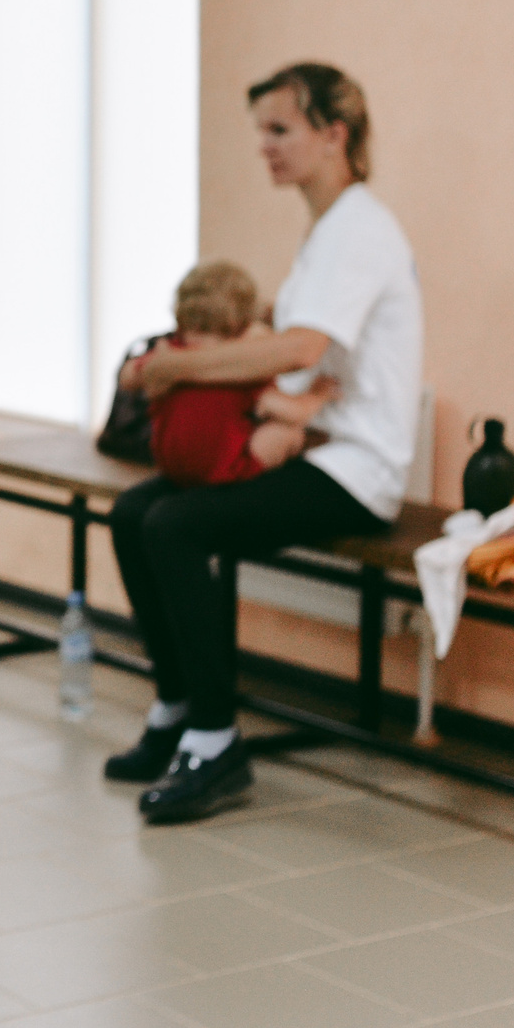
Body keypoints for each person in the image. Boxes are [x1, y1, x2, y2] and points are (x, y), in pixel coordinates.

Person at [105, 64, 422, 823]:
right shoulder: (331, 229)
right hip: (311, 444)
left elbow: (294, 349)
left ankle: (216, 742)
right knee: (132, 512)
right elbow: (287, 336)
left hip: (355, 469)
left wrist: (176, 365)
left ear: (333, 133)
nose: (265, 147)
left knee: (176, 525)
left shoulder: (359, 230)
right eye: (263, 131)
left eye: (279, 129)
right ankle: (178, 704)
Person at [123, 261, 338, 487]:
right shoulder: (239, 367)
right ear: (245, 323)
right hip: (219, 471)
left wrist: (150, 371)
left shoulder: (172, 354)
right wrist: (317, 395)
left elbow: (127, 378)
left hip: (169, 466)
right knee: (289, 432)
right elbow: (293, 412)